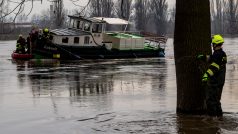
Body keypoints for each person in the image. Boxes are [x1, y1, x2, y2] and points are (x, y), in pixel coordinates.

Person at [197, 34, 227, 118]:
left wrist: (206, 75)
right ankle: (219, 118)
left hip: (216, 82)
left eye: (212, 44)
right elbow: (212, 58)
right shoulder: (220, 53)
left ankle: (212, 119)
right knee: (217, 101)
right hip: (220, 81)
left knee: (211, 101)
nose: (212, 45)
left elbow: (214, 67)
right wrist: (204, 57)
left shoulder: (218, 54)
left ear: (216, 44)